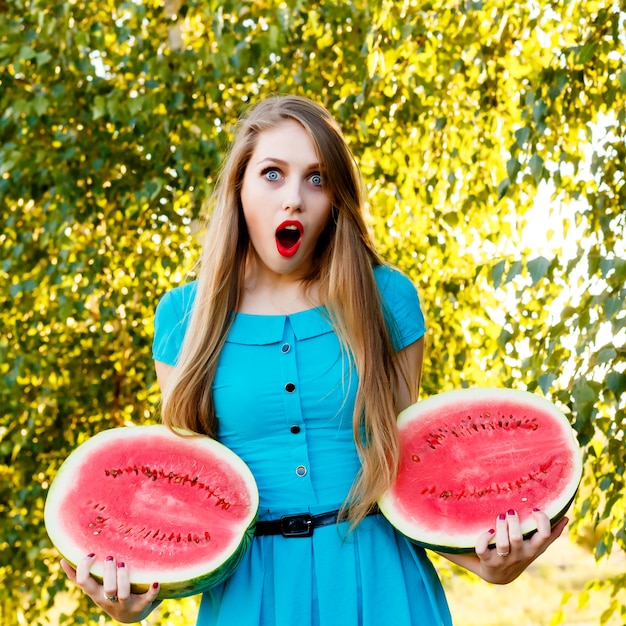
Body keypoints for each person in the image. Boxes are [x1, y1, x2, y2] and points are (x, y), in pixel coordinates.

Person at [61, 94, 568, 625]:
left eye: (317, 179)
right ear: (240, 187)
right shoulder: (184, 318)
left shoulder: (387, 298)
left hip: (383, 587)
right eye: (273, 174)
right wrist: (132, 598)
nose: (295, 199)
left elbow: (406, 472)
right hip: (248, 600)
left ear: (335, 198)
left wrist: (489, 564)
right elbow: (188, 496)